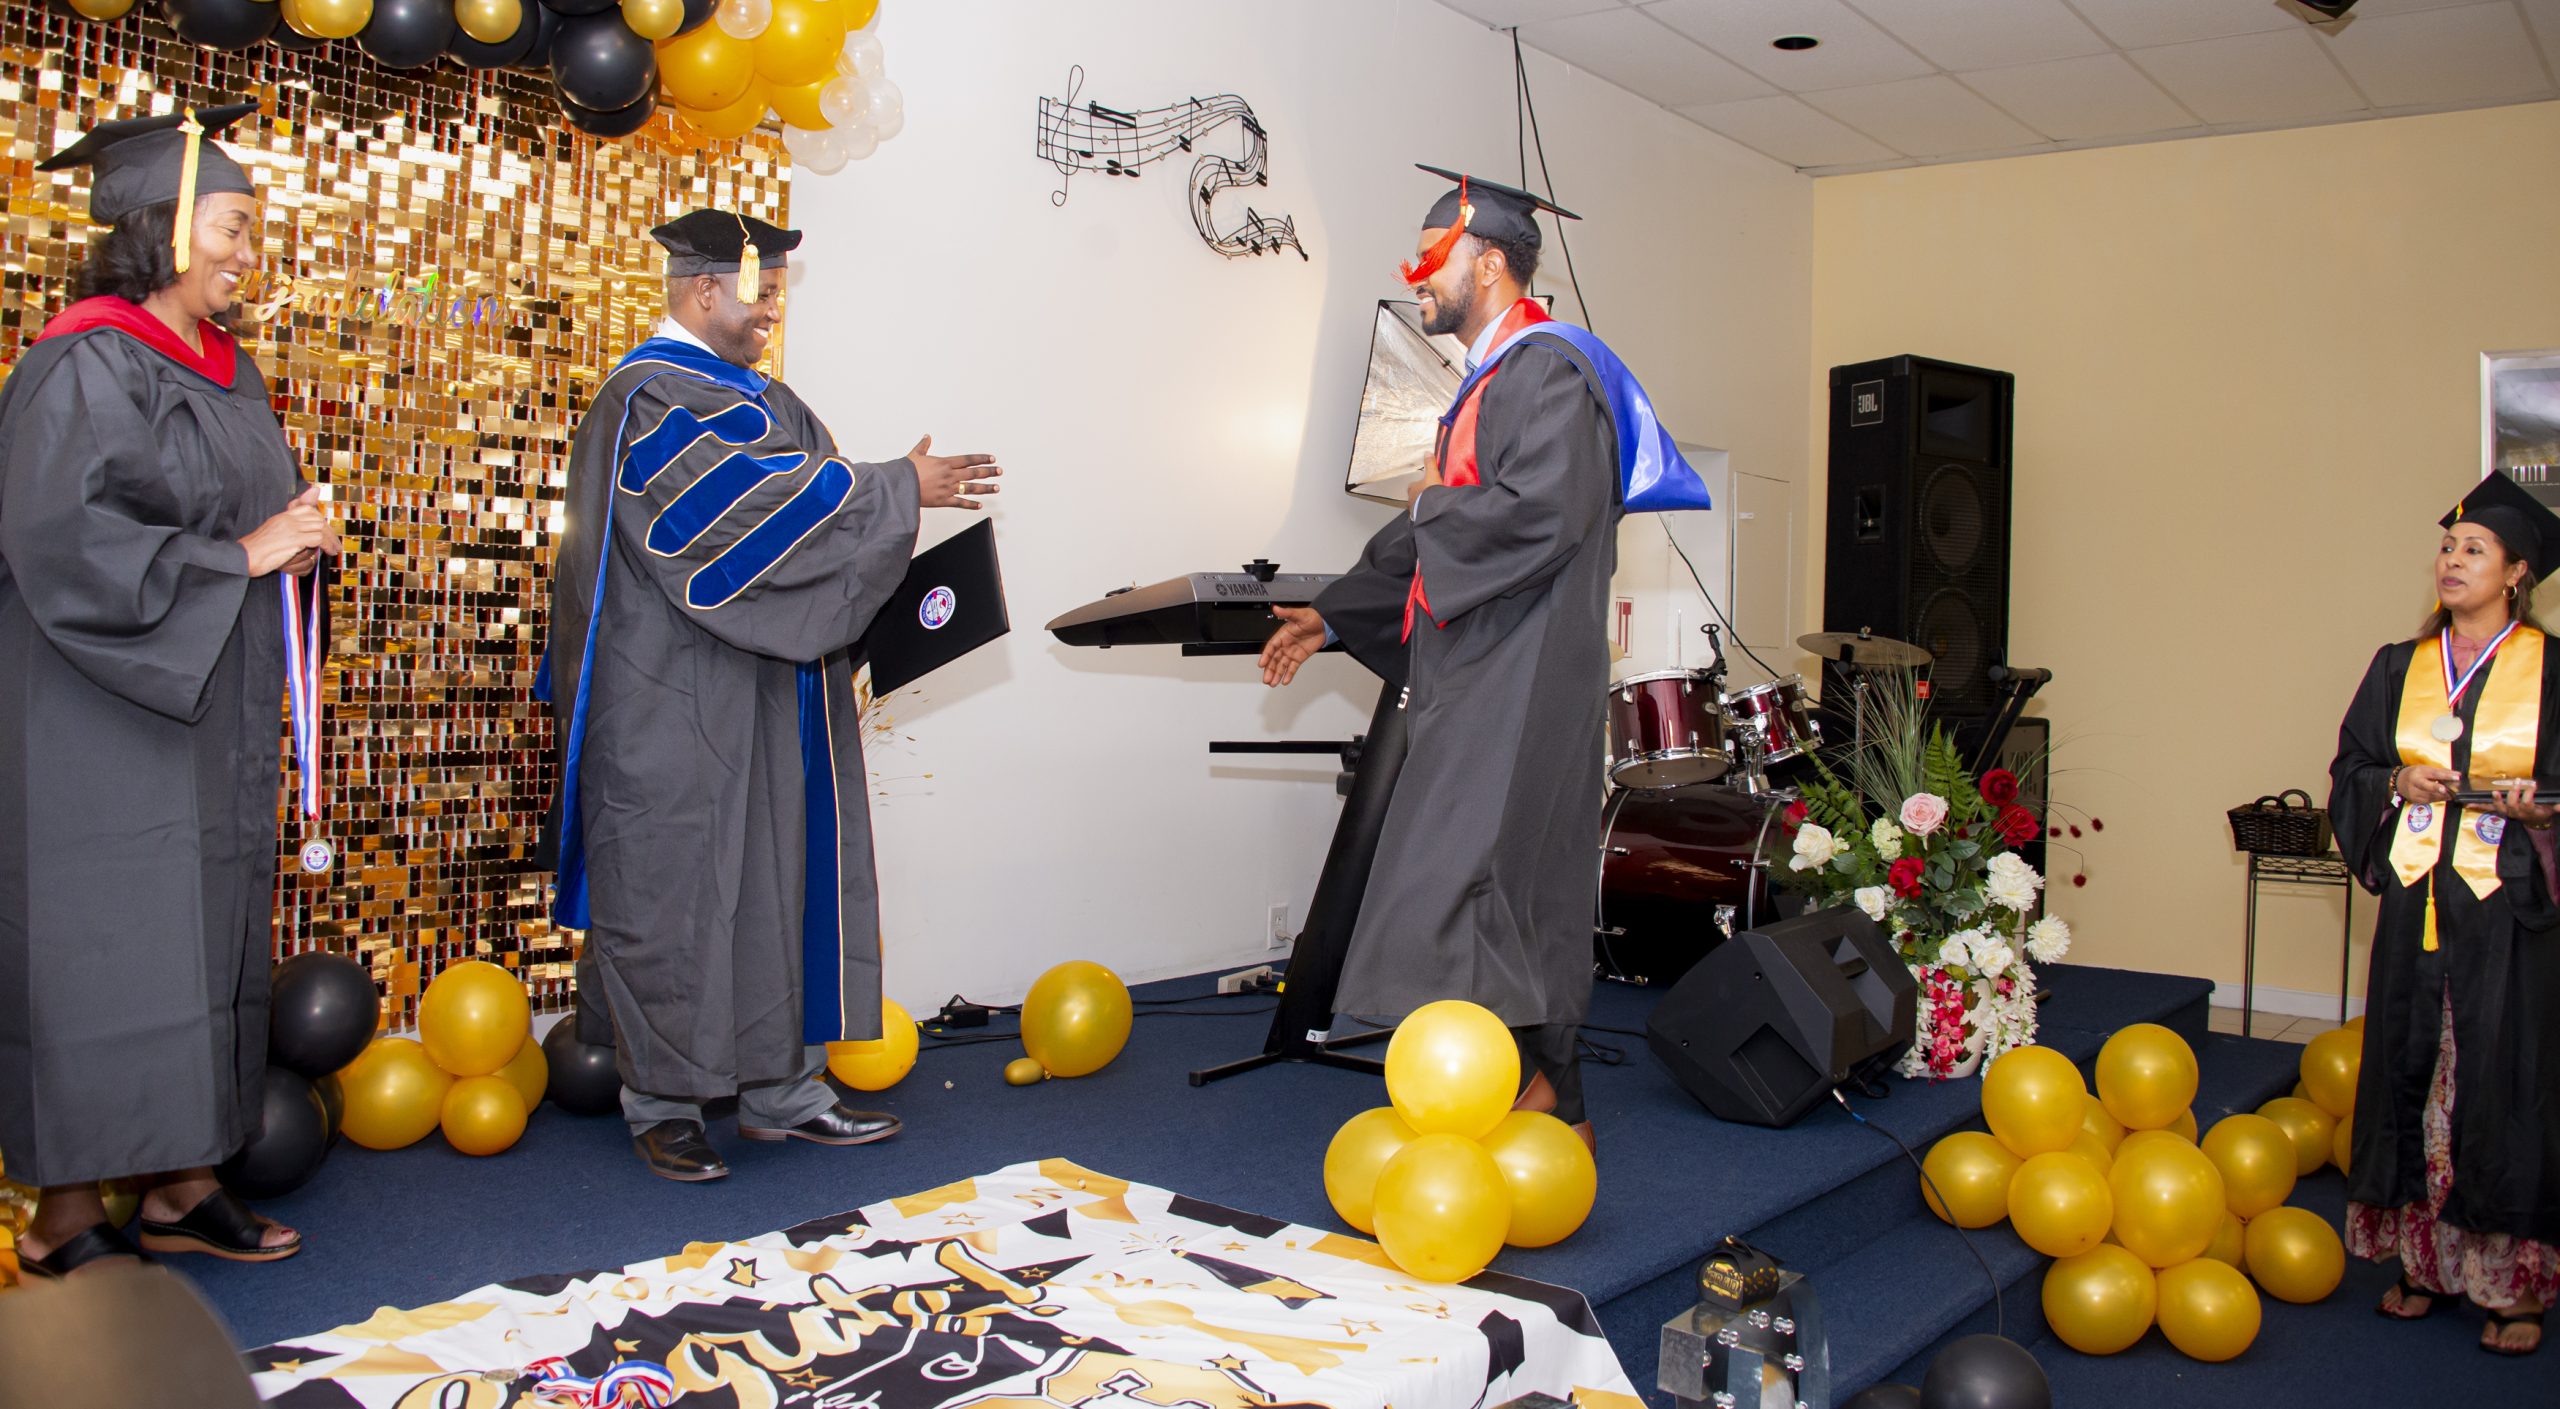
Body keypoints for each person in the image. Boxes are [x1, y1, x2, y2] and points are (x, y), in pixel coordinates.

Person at [542, 209, 999, 1182]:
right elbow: (739, 518)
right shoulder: (650, 400)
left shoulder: (760, 396)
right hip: (671, 702)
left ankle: (781, 1093)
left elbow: (807, 527)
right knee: (674, 894)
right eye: (762, 292)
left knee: (778, 887)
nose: (772, 311)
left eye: (780, 292)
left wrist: (888, 512)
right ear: (703, 289)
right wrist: (896, 487)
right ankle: (664, 1105)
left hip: (768, 696)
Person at [0, 101, 338, 1276]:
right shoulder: (82, 359)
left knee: (201, 943)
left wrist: (296, 540)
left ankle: (182, 1186)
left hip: (208, 705)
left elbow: (245, 523)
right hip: (97, 714)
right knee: (102, 946)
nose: (249, 253)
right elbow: (64, 540)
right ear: (162, 223)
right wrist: (240, 556)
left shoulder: (231, 372)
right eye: (233, 227)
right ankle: (62, 1215)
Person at [1260, 169, 1628, 1143]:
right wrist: (1335, 617)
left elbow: (1538, 514)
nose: (1412, 272)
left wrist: (1428, 500)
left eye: (1432, 254)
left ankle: (1527, 1096)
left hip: (1522, 672)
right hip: (1486, 669)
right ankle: (1545, 1107)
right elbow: (1430, 532)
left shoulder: (1550, 371)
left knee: (1463, 885)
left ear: (1490, 264)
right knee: (1491, 890)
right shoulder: (1492, 381)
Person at [2329, 470, 2560, 1356]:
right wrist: (2395, 778)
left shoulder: (2551, 670)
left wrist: (2540, 811)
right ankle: (2425, 1261)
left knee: (2502, 1077)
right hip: (2418, 899)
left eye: (2474, 549)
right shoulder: (2400, 665)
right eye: (2446, 547)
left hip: (2508, 908)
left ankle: (2511, 1282)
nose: (2451, 560)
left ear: (2517, 571)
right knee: (2411, 1065)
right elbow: (2351, 767)